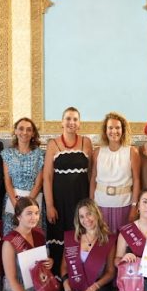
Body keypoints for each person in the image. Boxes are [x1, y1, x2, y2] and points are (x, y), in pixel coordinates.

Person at [44, 107, 92, 274]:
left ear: (79, 124)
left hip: (81, 200)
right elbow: (47, 177)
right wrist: (50, 205)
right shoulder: (53, 144)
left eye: (75, 119)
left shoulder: (87, 142)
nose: (71, 122)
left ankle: (79, 278)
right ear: (62, 122)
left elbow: (91, 175)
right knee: (60, 239)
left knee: (80, 236)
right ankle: (59, 281)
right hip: (59, 201)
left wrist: (91, 203)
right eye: (68, 119)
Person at [61, 198, 117, 291]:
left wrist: (93, 288)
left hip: (96, 286)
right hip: (74, 286)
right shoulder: (72, 238)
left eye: (89, 214)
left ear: (97, 214)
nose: (86, 219)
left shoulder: (108, 240)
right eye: (82, 216)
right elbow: (63, 268)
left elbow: (110, 272)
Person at [90, 112, 140, 233]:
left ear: (122, 130)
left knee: (122, 241)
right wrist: (91, 205)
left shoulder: (131, 151)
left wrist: (134, 206)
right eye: (110, 128)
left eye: (117, 127)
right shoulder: (97, 152)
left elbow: (137, 180)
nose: (114, 131)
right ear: (105, 130)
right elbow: (93, 179)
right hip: (100, 204)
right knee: (103, 241)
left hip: (124, 204)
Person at [1, 117, 45, 235]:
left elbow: (39, 183)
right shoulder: (7, 154)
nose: (24, 132)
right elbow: (7, 181)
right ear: (15, 131)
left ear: (33, 133)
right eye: (21, 128)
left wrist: (27, 206)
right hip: (12, 201)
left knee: (33, 237)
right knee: (12, 238)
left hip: (33, 201)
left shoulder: (40, 154)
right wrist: (17, 206)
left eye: (29, 130)